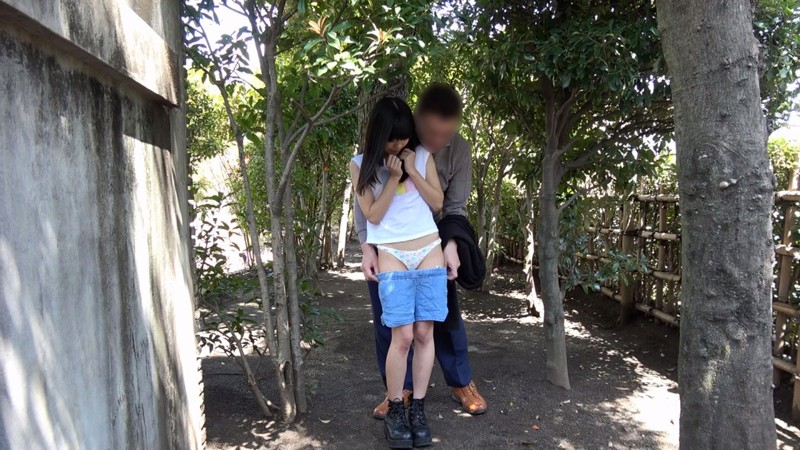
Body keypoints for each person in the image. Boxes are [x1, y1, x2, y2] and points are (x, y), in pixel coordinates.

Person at [354, 83, 489, 420]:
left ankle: (460, 382)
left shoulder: (455, 151)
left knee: (441, 317)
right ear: (416, 120)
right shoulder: (390, 142)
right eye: (430, 131)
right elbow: (366, 206)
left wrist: (451, 245)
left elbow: (452, 206)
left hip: (434, 239)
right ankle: (398, 392)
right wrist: (366, 247)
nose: (437, 139)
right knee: (392, 322)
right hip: (387, 243)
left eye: (445, 134)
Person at [350, 97, 447, 448]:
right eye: (392, 139)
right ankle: (395, 409)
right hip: (391, 251)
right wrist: (392, 177)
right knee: (401, 336)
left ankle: (417, 408)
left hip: (429, 249)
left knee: (424, 333)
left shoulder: (421, 155)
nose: (399, 144)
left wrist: (412, 170)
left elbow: (437, 202)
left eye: (404, 137)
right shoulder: (360, 165)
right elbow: (373, 215)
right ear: (379, 135)